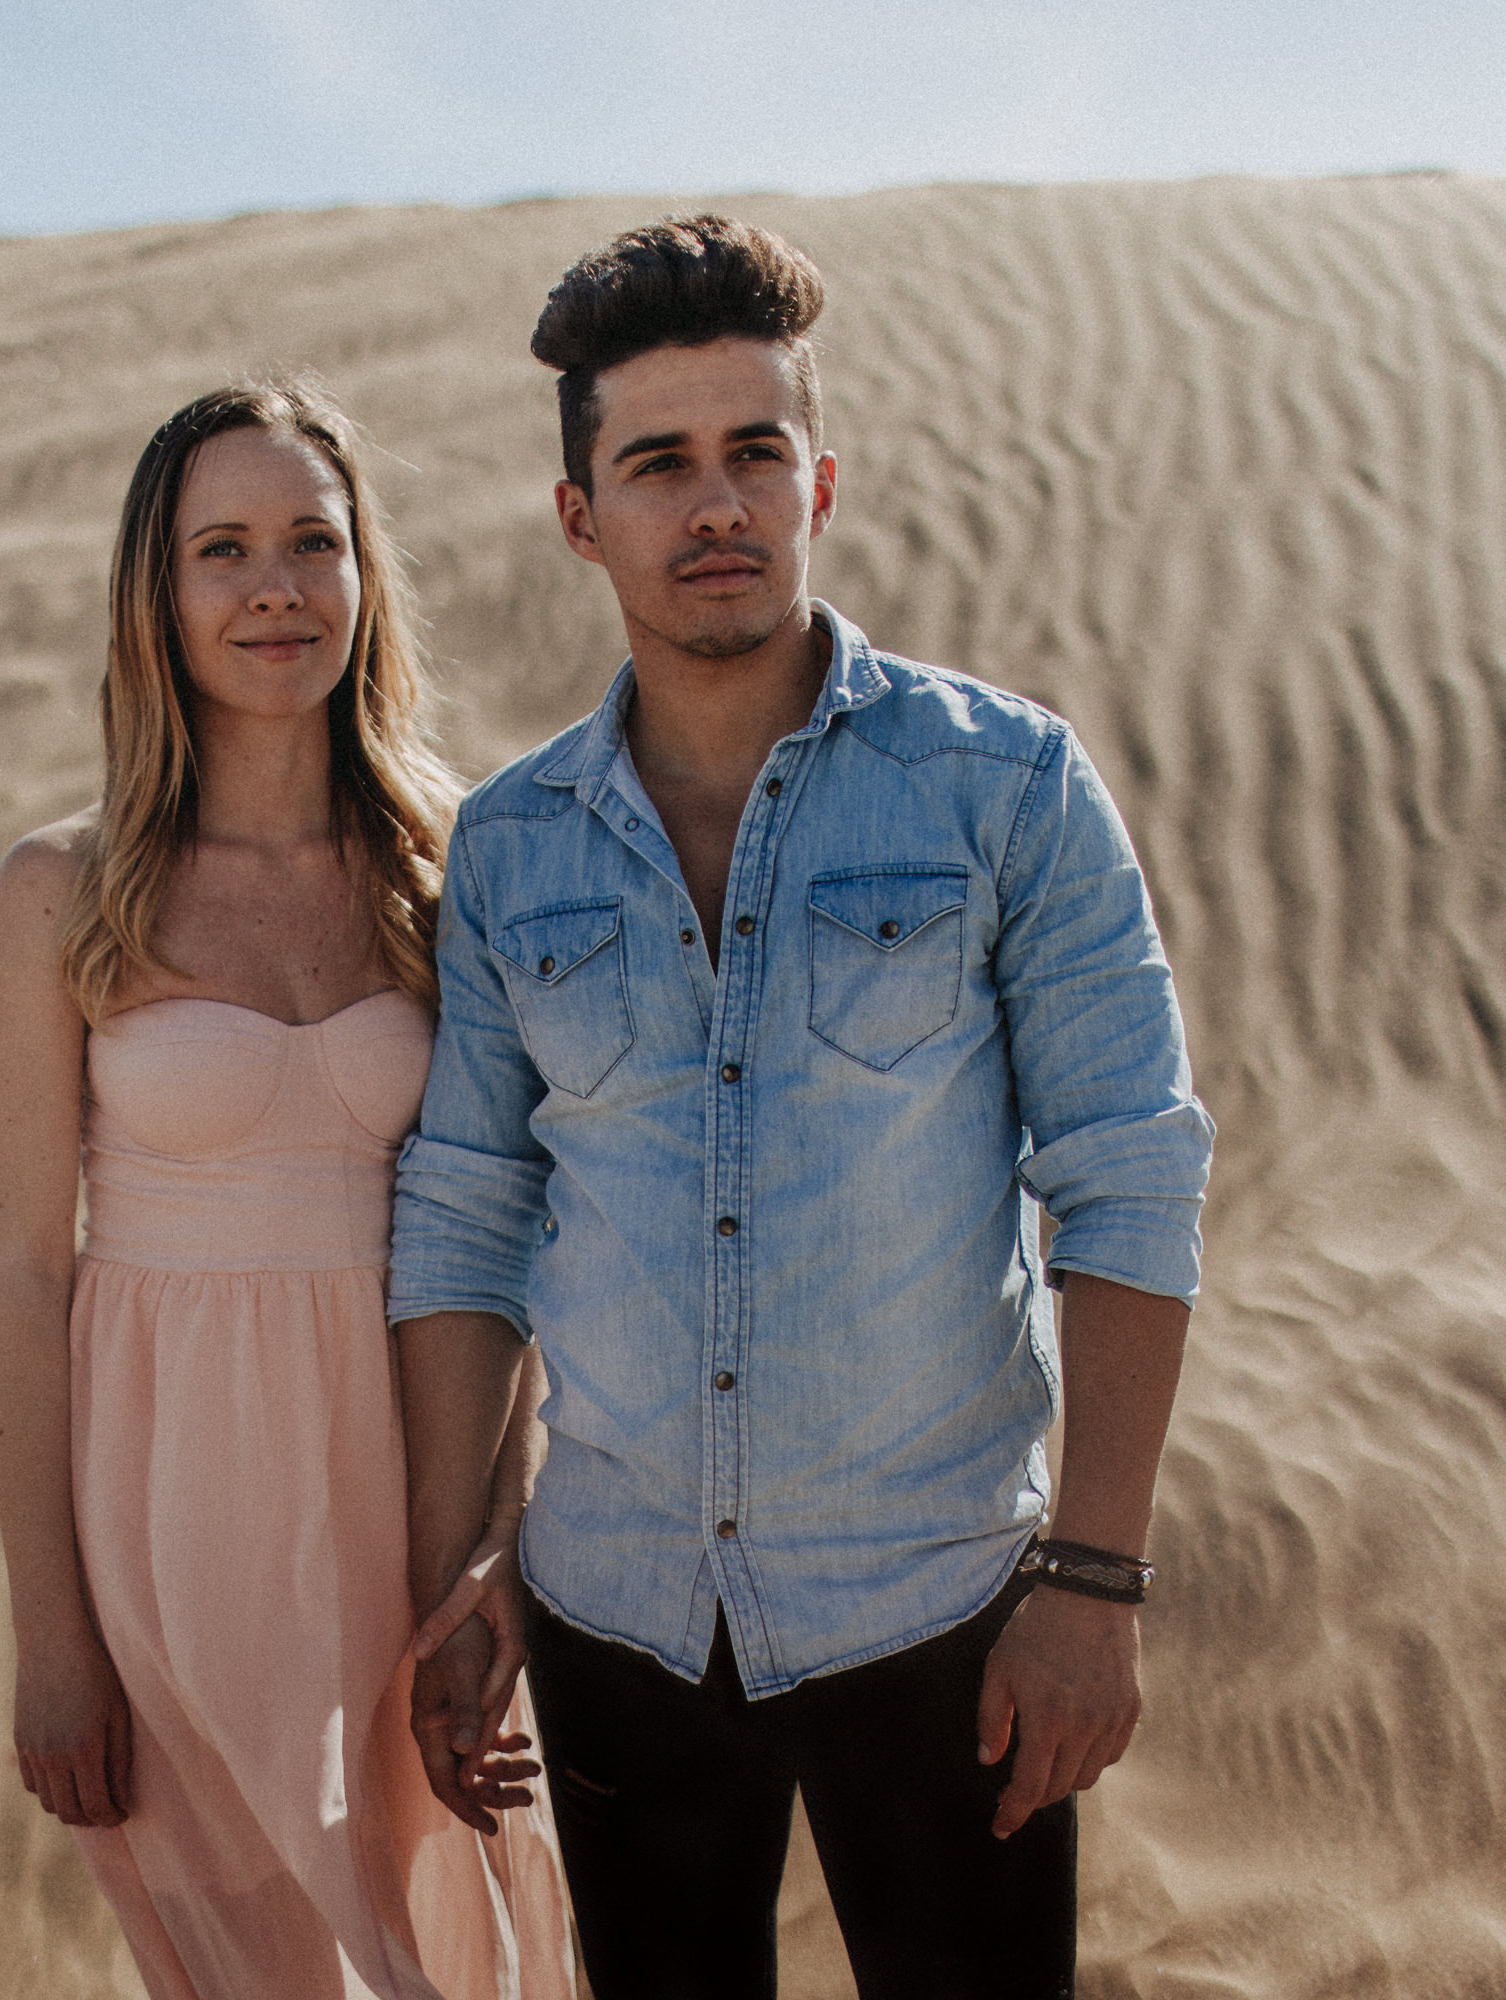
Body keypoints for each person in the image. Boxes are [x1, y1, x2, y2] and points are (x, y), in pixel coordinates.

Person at [389, 217, 1214, 1999]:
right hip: (616, 1624)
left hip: (944, 1616)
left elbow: (1132, 1174)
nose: (716, 506)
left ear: (818, 480)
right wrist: (459, 1565)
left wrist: (1099, 1577)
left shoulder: (1002, 784)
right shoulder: (513, 844)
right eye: (658, 463)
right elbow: (466, 1214)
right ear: (579, 516)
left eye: (754, 452)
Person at [0, 380, 573, 2000]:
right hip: (174, 1502)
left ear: (365, 576)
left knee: (467, 1946)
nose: (274, 588)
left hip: (412, 1483)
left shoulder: (450, 868)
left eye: (314, 542)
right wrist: (51, 1639)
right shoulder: (65, 891)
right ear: (156, 598)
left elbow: (506, 1233)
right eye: (221, 550)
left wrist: (488, 1556)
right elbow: (28, 1278)